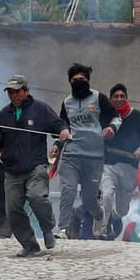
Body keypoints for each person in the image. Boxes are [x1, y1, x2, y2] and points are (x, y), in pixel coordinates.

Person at [0, 74, 67, 257]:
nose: (13, 95)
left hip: (35, 166)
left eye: (17, 91)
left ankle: (48, 229)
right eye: (10, 92)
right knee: (13, 210)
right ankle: (29, 244)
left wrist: (62, 135)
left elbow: (59, 126)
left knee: (37, 197)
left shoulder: (41, 109)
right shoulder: (3, 113)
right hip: (12, 170)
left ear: (26, 91)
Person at [52, 64, 121, 242]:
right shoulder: (67, 102)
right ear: (69, 82)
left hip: (94, 157)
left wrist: (111, 127)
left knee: (90, 200)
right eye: (74, 80)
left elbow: (116, 117)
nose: (78, 83)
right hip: (71, 155)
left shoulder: (99, 98)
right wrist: (59, 142)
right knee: (68, 190)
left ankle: (99, 216)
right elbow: (62, 125)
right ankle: (62, 229)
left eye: (81, 80)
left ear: (88, 81)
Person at [99, 84, 140, 241]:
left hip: (130, 166)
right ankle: (103, 229)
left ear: (127, 98)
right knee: (107, 195)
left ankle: (116, 217)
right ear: (110, 100)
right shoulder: (105, 117)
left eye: (122, 96)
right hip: (108, 165)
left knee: (123, 210)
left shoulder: (135, 115)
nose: (119, 99)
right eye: (116, 96)